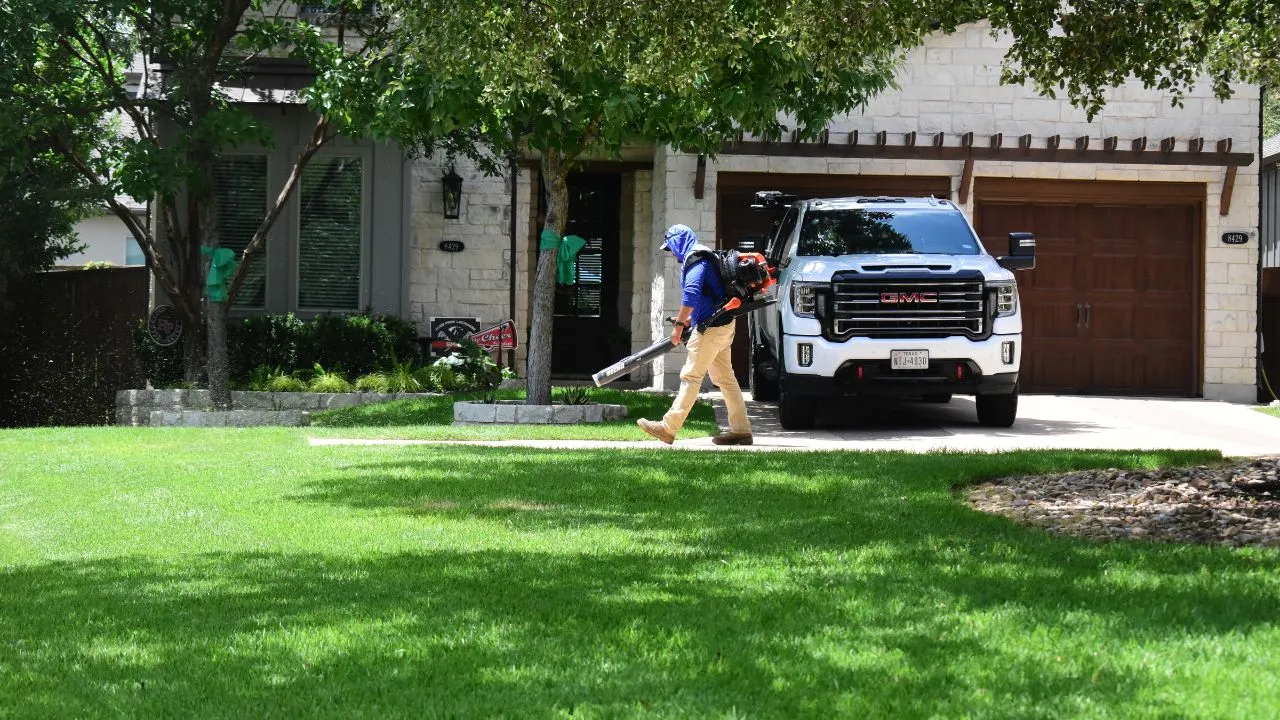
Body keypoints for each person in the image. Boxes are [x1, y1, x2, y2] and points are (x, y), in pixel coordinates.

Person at [637, 224, 754, 446]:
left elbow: (692, 292)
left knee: (691, 376)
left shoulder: (695, 259)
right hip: (724, 324)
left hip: (711, 328)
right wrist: (691, 318)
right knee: (725, 379)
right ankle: (741, 430)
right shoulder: (704, 255)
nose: (671, 253)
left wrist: (679, 325)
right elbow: (710, 294)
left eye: (671, 247)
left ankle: (668, 428)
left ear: (678, 242)